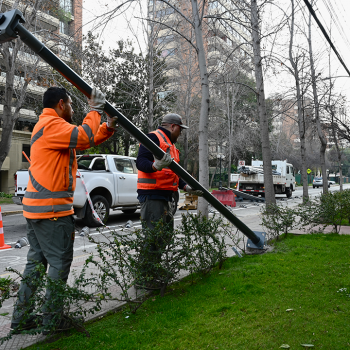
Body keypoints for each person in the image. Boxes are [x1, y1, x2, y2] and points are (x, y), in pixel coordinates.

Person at [10, 87, 117, 334]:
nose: (72, 108)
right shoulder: (53, 125)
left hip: (38, 210)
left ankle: (20, 319)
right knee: (60, 263)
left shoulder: (48, 125)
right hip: (52, 212)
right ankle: (51, 321)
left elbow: (85, 139)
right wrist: (95, 110)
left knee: (36, 265)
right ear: (61, 104)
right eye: (70, 104)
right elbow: (83, 136)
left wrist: (107, 127)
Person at [135, 113, 202, 289]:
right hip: (152, 195)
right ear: (172, 126)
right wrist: (155, 165)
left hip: (165, 196)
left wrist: (186, 187)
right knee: (153, 236)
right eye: (180, 129)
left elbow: (173, 173)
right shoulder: (153, 137)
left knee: (164, 235)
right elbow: (140, 161)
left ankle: (153, 270)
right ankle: (144, 277)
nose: (181, 133)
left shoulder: (170, 146)